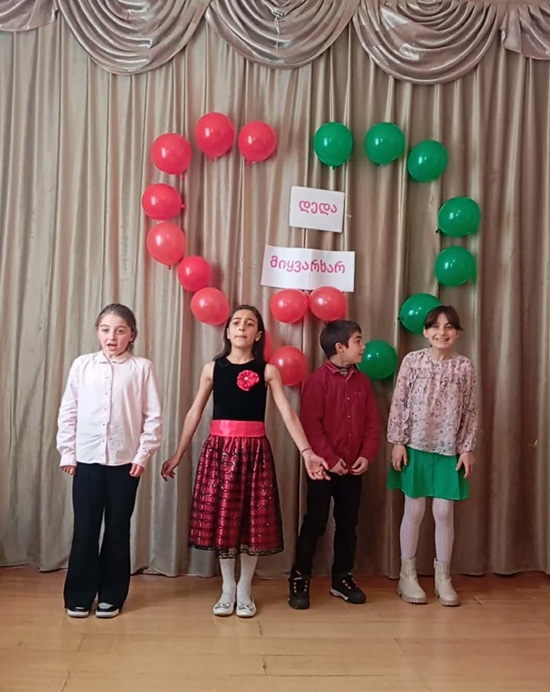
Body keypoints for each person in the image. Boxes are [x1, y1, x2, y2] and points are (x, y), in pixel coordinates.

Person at [161, 304, 328, 618]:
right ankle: (227, 587)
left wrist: (307, 452)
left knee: (253, 521)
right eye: (236, 322)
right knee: (224, 520)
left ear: (258, 334)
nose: (242, 327)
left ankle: (245, 587)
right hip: (219, 452)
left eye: (249, 323)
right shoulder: (212, 368)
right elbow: (194, 412)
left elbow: (287, 413)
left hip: (254, 453)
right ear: (227, 331)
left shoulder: (268, 370)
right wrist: (178, 453)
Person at [57, 304, 163, 619]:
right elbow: (69, 411)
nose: (112, 337)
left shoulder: (142, 368)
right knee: (85, 529)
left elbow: (153, 417)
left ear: (132, 335)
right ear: (97, 332)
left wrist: (143, 455)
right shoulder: (82, 365)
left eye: (120, 330)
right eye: (105, 330)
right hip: (86, 461)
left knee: (117, 529)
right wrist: (68, 452)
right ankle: (79, 595)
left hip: (125, 463)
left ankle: (112, 596)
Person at [387, 305, 477, 607]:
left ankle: (443, 577)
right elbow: (399, 402)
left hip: (448, 450)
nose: (442, 332)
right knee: (414, 510)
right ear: (425, 331)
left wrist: (467, 447)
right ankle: (407, 575)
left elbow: (470, 410)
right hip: (414, 446)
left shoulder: (464, 367)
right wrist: (398, 441)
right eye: (435, 326)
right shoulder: (413, 361)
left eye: (449, 326)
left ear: (458, 333)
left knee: (443, 512)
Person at [288, 320, 381, 610]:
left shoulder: (363, 382)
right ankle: (300, 577)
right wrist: (330, 460)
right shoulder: (317, 382)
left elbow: (372, 423)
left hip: (353, 469)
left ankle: (342, 577)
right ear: (340, 347)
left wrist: (367, 454)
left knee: (348, 523)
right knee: (315, 522)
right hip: (323, 469)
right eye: (358, 341)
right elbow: (311, 426)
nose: (363, 346)